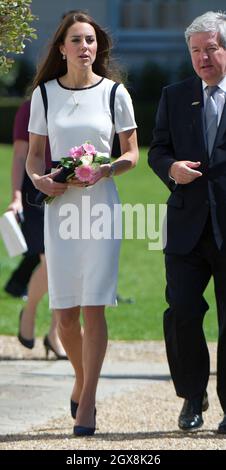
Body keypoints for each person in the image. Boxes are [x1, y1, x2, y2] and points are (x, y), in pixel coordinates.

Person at [26, 10, 138, 437]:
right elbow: (37, 155)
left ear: (97, 47)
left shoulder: (115, 93)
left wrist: (106, 169)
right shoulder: (45, 95)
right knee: (65, 316)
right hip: (61, 212)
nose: (85, 47)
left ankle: (87, 400)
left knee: (94, 306)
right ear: (62, 48)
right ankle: (80, 375)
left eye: (90, 40)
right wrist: (40, 181)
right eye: (76, 40)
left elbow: (131, 154)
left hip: (101, 208)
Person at [148, 11, 226, 434]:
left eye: (211, 49)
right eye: (195, 51)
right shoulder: (174, 95)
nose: (203, 58)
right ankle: (192, 397)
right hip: (186, 228)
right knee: (181, 312)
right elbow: (157, 149)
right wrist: (170, 167)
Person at [7, 100, 67, 359]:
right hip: (37, 189)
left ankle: (55, 334)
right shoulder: (29, 108)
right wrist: (16, 196)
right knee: (53, 261)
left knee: (65, 265)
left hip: (71, 187)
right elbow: (20, 155)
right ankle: (30, 310)